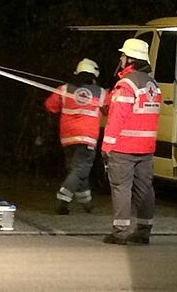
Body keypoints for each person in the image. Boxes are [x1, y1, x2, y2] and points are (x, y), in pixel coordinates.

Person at [101, 39, 160, 245]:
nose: (120, 59)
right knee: (145, 189)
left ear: (130, 59)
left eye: (123, 56)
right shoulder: (153, 85)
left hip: (123, 147)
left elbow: (117, 118)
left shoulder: (126, 85)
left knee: (121, 188)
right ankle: (144, 231)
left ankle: (120, 233)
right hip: (146, 148)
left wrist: (107, 146)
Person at [43, 58, 106, 215]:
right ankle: (62, 200)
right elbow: (109, 110)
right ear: (94, 74)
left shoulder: (64, 89)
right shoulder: (101, 92)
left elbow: (50, 106)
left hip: (67, 138)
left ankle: (87, 202)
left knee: (76, 170)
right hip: (87, 138)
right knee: (80, 170)